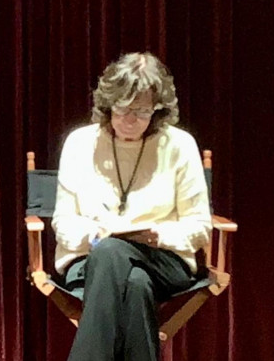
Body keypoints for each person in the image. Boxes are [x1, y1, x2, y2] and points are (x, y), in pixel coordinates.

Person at [52, 52, 212, 361]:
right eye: (122, 108)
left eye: (141, 111)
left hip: (163, 261)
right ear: (107, 104)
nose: (129, 119)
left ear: (158, 110)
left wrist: (159, 236)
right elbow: (63, 222)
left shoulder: (180, 145)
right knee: (135, 283)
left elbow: (199, 227)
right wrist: (94, 236)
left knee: (112, 252)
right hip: (90, 260)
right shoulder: (79, 143)